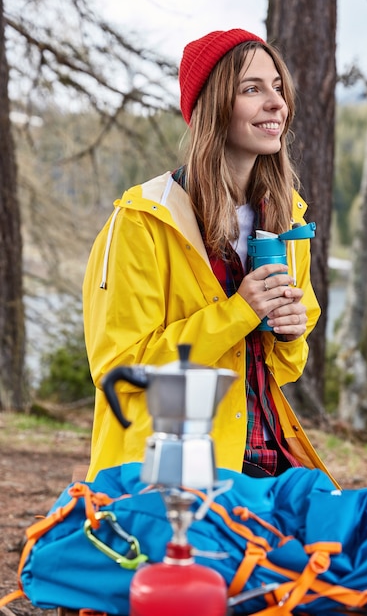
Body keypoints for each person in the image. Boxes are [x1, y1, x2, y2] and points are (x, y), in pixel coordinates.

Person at [83, 28, 336, 486]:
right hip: (177, 468)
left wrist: (290, 334)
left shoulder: (283, 217)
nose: (277, 102)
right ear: (213, 105)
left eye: (278, 87)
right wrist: (239, 312)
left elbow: (283, 366)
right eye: (252, 89)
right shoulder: (143, 222)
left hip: (268, 457)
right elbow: (120, 370)